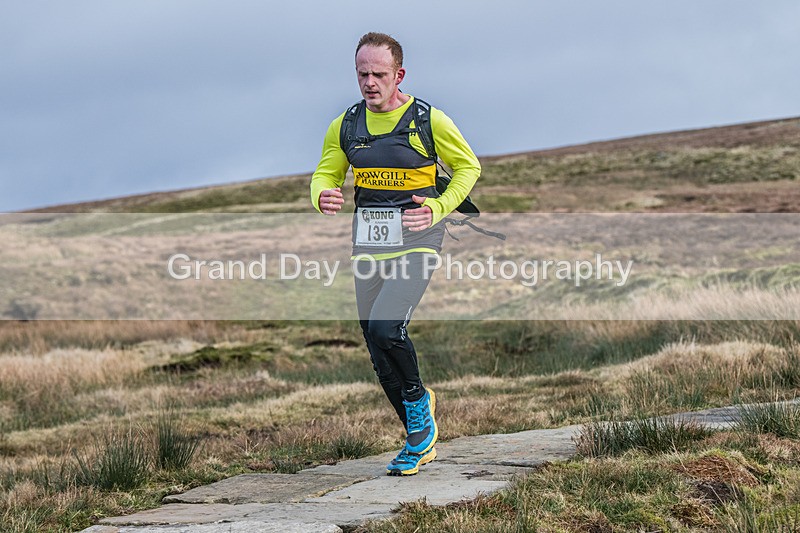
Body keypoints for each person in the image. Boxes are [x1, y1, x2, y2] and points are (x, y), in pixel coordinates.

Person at [310, 32, 481, 476]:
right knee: (374, 340)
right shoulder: (346, 125)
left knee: (387, 327)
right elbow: (326, 172)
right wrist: (321, 194)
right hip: (369, 242)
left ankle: (420, 406)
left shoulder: (428, 120)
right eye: (362, 74)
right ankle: (418, 436)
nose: (369, 82)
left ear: (398, 75)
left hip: (419, 238)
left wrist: (438, 208)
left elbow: (469, 167)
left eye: (379, 74)